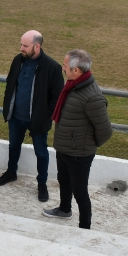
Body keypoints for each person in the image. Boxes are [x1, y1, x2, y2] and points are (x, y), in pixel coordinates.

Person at [43, 49, 112, 229]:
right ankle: (65, 209)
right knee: (63, 180)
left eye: (65, 65)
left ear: (76, 70)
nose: (63, 68)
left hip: (79, 154)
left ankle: (84, 228)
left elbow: (105, 131)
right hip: (65, 148)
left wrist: (85, 145)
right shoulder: (72, 86)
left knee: (80, 192)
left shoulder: (92, 97)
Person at [0, 30, 64, 202]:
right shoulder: (18, 60)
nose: (21, 48)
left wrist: (46, 118)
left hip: (38, 121)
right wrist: (8, 109)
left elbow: (56, 98)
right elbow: (10, 85)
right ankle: (11, 172)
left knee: (41, 152)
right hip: (16, 117)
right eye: (21, 44)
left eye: (25, 46)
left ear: (37, 46)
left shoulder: (53, 68)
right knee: (13, 146)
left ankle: (42, 183)